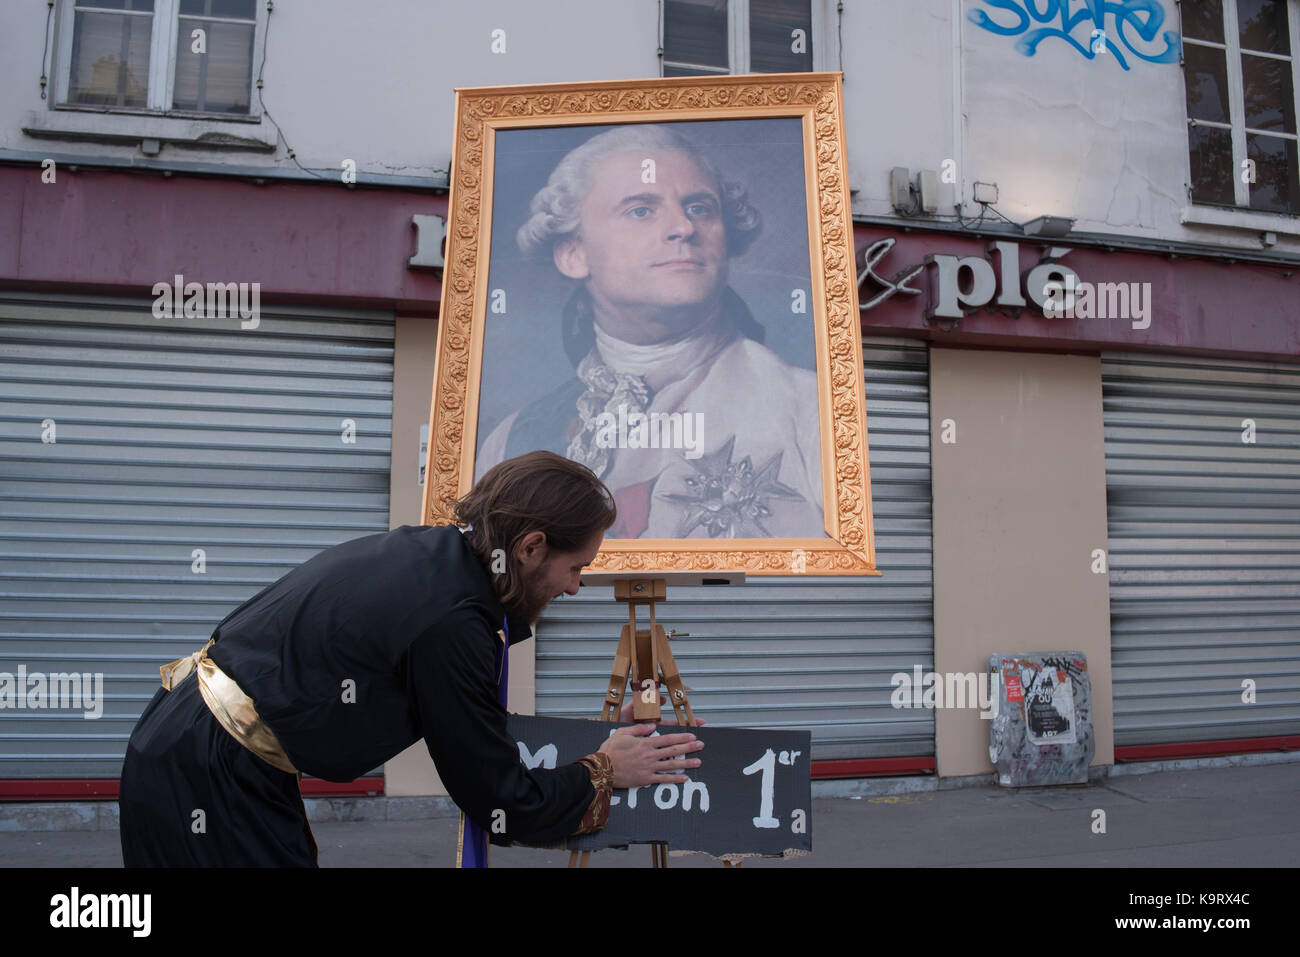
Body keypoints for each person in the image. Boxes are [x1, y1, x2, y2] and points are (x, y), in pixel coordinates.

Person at [118, 451, 704, 867]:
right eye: (576, 567)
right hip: (210, 774)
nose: (575, 587)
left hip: (198, 752)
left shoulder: (440, 563)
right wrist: (605, 771)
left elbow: (473, 734)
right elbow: (496, 795)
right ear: (530, 548)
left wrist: (600, 742)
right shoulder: (453, 619)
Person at [476, 124, 825, 540]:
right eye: (640, 210)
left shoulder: (811, 412)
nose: (683, 227)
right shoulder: (516, 437)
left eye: (699, 208)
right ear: (574, 254)